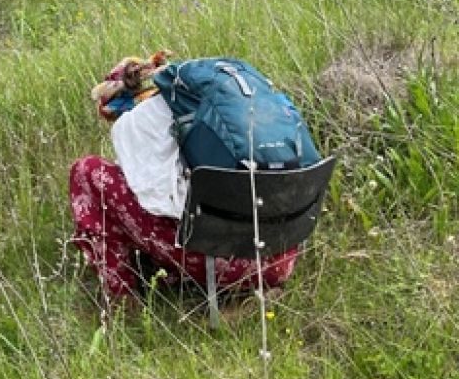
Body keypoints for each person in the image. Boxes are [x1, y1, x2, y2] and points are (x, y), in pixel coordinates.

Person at [69, 52, 299, 305]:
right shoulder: (216, 103)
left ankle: (121, 299)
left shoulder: (137, 120)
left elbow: (159, 204)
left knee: (87, 172)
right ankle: (248, 291)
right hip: (281, 254)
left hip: (229, 264)